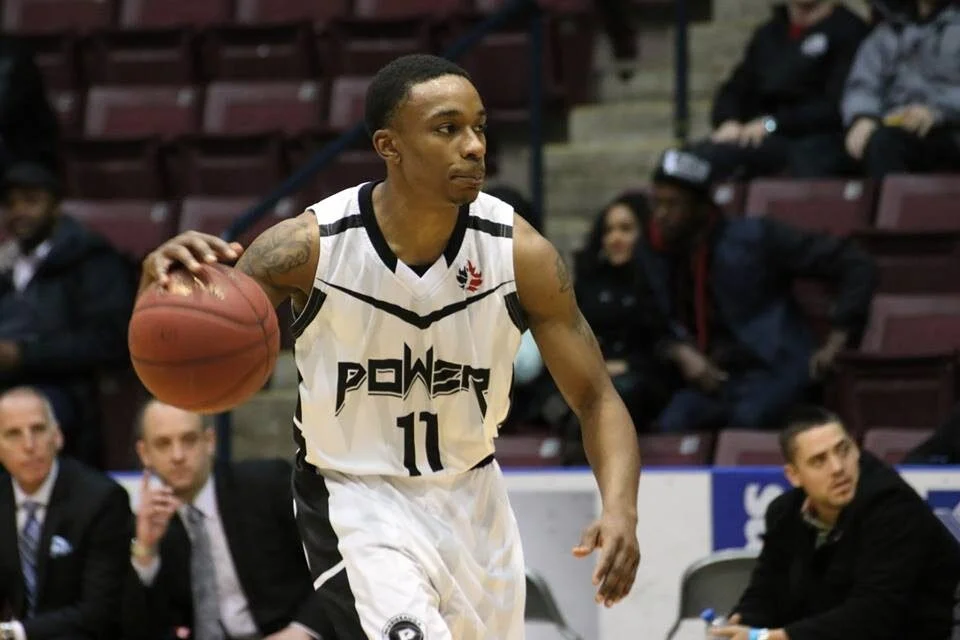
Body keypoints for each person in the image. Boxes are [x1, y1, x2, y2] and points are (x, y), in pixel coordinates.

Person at [138, 54, 642, 640]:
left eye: (479, 127)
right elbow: (184, 345)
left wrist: (621, 509)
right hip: (355, 498)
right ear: (389, 145)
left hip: (475, 500)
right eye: (447, 128)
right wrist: (156, 287)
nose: (474, 146)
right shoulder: (309, 248)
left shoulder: (519, 254)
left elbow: (596, 397)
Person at [638, 149, 876, 432]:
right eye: (656, 203)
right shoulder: (656, 255)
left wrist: (839, 336)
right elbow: (652, 318)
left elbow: (855, 263)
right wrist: (679, 350)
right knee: (672, 426)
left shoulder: (755, 237)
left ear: (701, 207)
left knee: (747, 423)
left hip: (773, 368)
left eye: (672, 204)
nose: (661, 215)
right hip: (713, 380)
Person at [711, 405, 960, 640]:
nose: (838, 468)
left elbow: (875, 614)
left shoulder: (893, 506)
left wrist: (775, 636)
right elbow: (767, 589)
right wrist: (742, 624)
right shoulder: (784, 513)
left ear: (856, 449)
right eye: (819, 460)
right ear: (794, 475)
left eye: (843, 450)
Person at [123, 399, 326, 640]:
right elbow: (141, 624)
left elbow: (333, 562)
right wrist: (146, 550)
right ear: (144, 454)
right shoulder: (152, 523)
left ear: (210, 441)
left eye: (189, 440)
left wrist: (303, 630)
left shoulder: (264, 485)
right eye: (163, 444)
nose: (177, 455)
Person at [0, 162, 137, 467]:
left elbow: (109, 341)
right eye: (10, 204)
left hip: (68, 392)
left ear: (56, 206)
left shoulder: (92, 259)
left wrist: (22, 355)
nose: (19, 212)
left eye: (31, 201)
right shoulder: (6, 264)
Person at [0, 387, 132, 640]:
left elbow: (98, 613)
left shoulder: (101, 499)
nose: (29, 445)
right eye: (13, 434)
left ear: (57, 436)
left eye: (38, 429)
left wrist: (13, 633)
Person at [690, 0, 868, 180]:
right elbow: (736, 88)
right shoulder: (769, 33)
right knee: (683, 162)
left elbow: (834, 106)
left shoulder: (850, 31)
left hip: (809, 141)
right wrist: (728, 121)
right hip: (752, 137)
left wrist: (772, 124)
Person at [573, 192, 677, 429]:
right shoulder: (589, 282)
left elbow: (665, 343)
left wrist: (627, 366)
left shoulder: (661, 280)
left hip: (644, 379)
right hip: (594, 377)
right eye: (608, 231)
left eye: (626, 229)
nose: (615, 238)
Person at [841, 0, 960, 177]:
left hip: (950, 128)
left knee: (885, 144)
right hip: (894, 124)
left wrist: (937, 112)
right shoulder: (889, 29)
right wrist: (863, 116)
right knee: (838, 148)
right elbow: (862, 83)